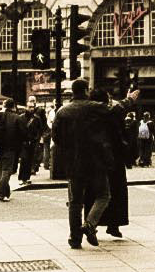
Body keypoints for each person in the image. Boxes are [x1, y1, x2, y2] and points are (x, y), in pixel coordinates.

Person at [52, 78, 139, 250]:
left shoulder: (62, 111)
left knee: (75, 202)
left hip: (73, 163)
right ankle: (90, 224)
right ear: (85, 90)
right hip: (95, 161)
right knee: (103, 195)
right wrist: (130, 99)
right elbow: (116, 110)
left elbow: (56, 137)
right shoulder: (93, 107)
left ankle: (74, 238)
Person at [91, 89, 130, 239]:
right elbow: (120, 134)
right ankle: (113, 224)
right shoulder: (108, 114)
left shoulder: (91, 115)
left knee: (94, 193)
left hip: (95, 158)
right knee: (115, 192)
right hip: (112, 158)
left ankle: (94, 224)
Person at [0, 97, 25, 201]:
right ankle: (1, 193)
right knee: (6, 171)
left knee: (2, 170)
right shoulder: (17, 118)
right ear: (13, 106)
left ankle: (6, 192)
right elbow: (22, 133)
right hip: (11, 148)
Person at [17, 97, 47, 185]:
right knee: (24, 160)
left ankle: (26, 177)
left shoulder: (37, 118)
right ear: (26, 107)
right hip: (24, 142)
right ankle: (23, 178)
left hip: (33, 142)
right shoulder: (21, 118)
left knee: (30, 160)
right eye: (29, 107)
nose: (31, 109)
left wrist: (37, 139)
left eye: (32, 107)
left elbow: (40, 129)